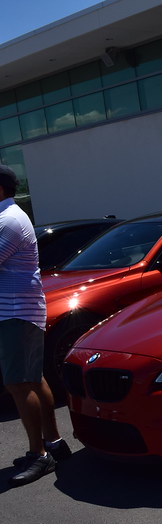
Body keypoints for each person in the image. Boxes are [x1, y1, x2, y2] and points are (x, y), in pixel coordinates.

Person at [0, 164, 72, 486]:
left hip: (15, 313)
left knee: (18, 384)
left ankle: (39, 456)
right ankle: (54, 444)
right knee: (32, 378)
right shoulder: (11, 217)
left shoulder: (8, 220)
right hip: (19, 311)